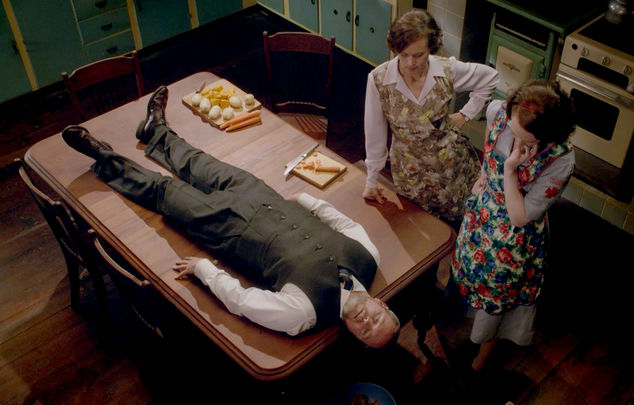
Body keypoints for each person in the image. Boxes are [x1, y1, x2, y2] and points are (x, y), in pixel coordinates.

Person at [61, 86, 400, 348]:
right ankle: (154, 130)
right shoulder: (368, 257)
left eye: (364, 331)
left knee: (164, 192)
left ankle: (103, 158)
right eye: (375, 319)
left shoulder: (304, 314)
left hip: (227, 229)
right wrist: (307, 201)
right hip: (261, 196)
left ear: (353, 335)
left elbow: (243, 301)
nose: (365, 321)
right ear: (381, 305)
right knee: (199, 163)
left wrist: (204, 270)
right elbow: (345, 223)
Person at [450, 79, 575, 371]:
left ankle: (481, 359)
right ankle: (468, 331)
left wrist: (509, 169)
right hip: (481, 217)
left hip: (513, 237)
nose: (515, 140)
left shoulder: (561, 161)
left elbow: (520, 217)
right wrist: (484, 175)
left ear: (547, 138)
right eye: (512, 129)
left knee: (499, 296)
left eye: (525, 140)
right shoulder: (499, 111)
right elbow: (490, 143)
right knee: (471, 276)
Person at [363, 9, 498, 223]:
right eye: (403, 54)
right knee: (417, 227)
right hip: (409, 175)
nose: (410, 63)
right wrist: (371, 181)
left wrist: (465, 114)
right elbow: (374, 135)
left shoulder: (446, 70)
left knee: (457, 224)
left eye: (418, 55)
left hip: (451, 170)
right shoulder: (379, 80)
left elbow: (490, 77)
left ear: (431, 48)